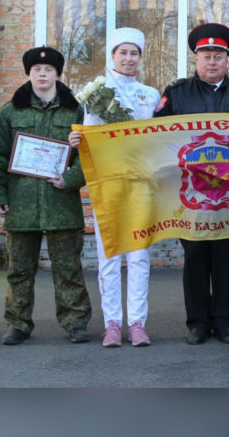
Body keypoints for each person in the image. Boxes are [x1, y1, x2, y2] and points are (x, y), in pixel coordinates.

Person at [153, 22, 229, 345]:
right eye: (206, 56)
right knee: (195, 256)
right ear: (196, 60)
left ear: (228, 61)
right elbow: (157, 137)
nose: (212, 62)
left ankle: (225, 321)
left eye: (218, 56)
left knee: (227, 256)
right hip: (190, 193)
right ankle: (197, 321)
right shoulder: (176, 94)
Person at [0, 46, 92, 347]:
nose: (42, 74)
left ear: (58, 74)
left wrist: (70, 179)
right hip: (22, 203)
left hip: (61, 202)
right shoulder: (11, 112)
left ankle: (76, 321)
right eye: (36, 70)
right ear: (28, 73)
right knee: (19, 270)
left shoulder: (77, 111)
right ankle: (17, 323)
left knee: (68, 268)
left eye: (48, 70)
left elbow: (89, 155)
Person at [68, 27, 160, 348]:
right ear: (112, 55)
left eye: (134, 53)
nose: (128, 58)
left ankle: (136, 322)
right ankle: (111, 324)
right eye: (122, 52)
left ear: (140, 56)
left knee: (138, 254)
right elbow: (90, 140)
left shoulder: (150, 94)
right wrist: (76, 140)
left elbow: (155, 139)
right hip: (107, 183)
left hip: (140, 182)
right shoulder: (96, 93)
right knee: (108, 253)